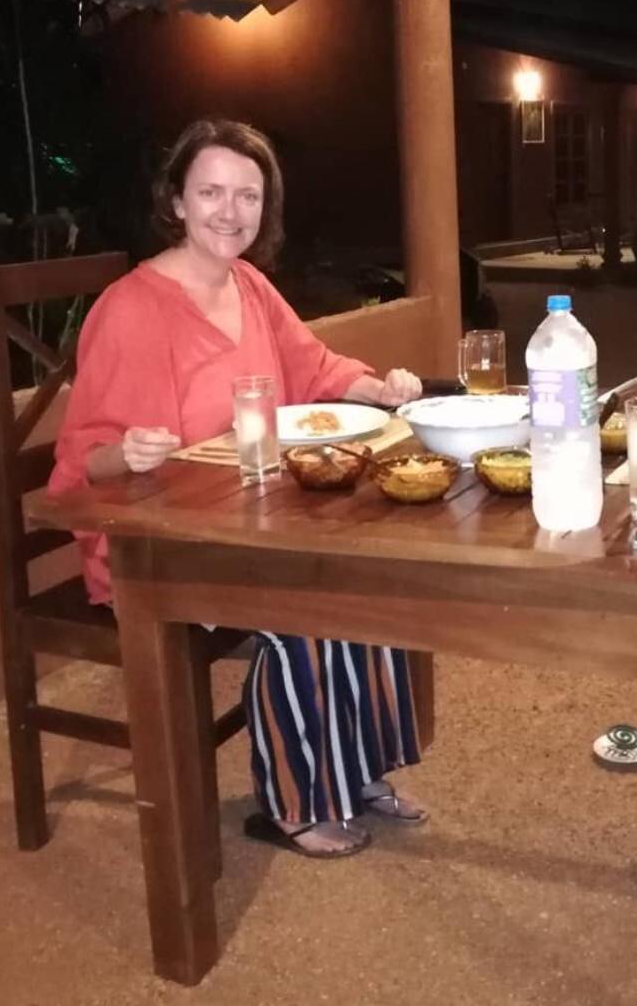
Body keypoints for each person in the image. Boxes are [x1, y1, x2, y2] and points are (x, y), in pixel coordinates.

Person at [50, 118, 427, 859]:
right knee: (300, 604)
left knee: (372, 572)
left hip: (252, 516)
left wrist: (379, 388)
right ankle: (293, 801)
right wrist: (125, 452)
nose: (231, 212)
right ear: (176, 201)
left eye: (248, 195)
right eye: (211, 192)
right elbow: (79, 461)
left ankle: (355, 772)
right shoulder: (130, 308)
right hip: (154, 542)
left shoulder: (249, 284)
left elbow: (313, 365)